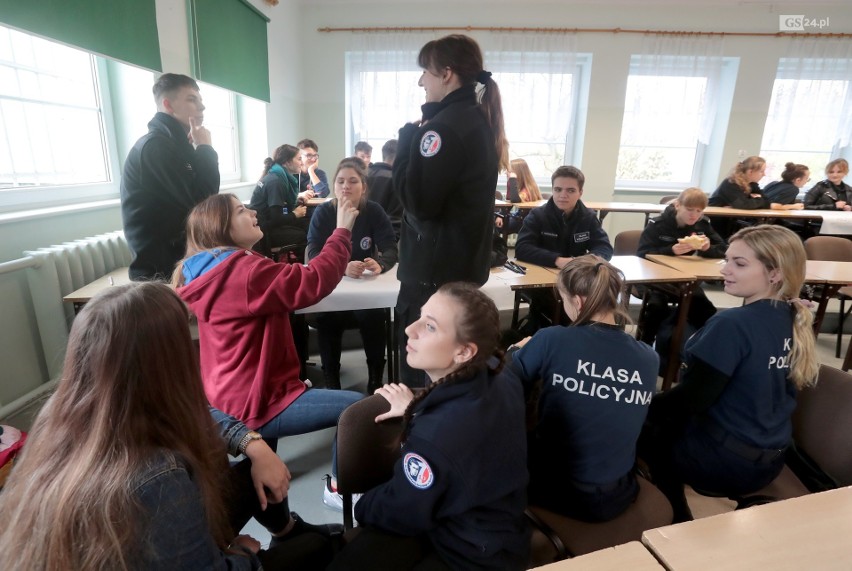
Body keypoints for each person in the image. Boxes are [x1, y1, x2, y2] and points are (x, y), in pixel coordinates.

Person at [0, 282, 335, 570]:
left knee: (252, 472)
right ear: (166, 360)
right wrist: (244, 553)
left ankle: (286, 530)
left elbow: (203, 412)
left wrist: (252, 442)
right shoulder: (159, 477)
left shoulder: (65, 414)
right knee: (317, 551)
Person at [173, 194, 364, 503]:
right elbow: (314, 280)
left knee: (262, 477)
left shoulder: (209, 271)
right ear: (222, 228)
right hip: (258, 398)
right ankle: (339, 491)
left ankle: (282, 533)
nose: (253, 211)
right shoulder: (243, 272)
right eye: (241, 210)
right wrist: (341, 231)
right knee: (355, 410)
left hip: (233, 393)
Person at [328, 283, 529, 571]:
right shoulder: (499, 369)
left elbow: (401, 510)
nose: (410, 329)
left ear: (463, 352)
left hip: (468, 555)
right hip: (497, 529)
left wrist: (362, 505)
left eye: (431, 327)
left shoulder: (436, 436)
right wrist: (417, 407)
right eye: (420, 316)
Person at [639, 224, 819, 522]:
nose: (725, 269)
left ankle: (678, 517)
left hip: (722, 466)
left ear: (774, 274)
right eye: (727, 260)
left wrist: (637, 405)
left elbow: (689, 401)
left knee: (645, 428)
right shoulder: (794, 315)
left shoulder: (733, 325)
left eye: (739, 263)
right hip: (770, 460)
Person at [393, 34, 509, 387]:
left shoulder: (443, 128)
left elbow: (419, 204)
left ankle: (415, 432)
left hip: (433, 274)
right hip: (457, 267)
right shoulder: (474, 119)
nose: (420, 81)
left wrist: (405, 144)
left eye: (425, 73)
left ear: (446, 73)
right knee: (450, 367)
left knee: (421, 369)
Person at [507, 256, 658, 522]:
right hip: (616, 494)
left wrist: (516, 350)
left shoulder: (552, 339)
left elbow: (505, 383)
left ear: (578, 302)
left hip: (559, 490)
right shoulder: (649, 356)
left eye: (564, 300)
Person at [307, 158, 398, 393]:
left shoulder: (373, 211)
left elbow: (390, 247)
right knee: (328, 318)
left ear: (364, 186)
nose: (345, 186)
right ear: (334, 186)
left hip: (364, 287)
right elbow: (313, 251)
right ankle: (331, 380)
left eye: (352, 181)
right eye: (340, 181)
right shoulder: (324, 212)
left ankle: (376, 376)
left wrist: (380, 264)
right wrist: (342, 266)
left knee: (373, 314)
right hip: (334, 287)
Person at [121, 73, 220, 281]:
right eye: (192, 99)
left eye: (201, 101)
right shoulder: (156, 147)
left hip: (180, 259)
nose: (202, 107)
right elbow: (203, 203)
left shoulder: (176, 145)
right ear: (168, 105)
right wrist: (205, 148)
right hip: (161, 272)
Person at [515, 165, 612, 332]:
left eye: (570, 190)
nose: (563, 195)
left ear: (580, 192)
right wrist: (557, 260)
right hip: (542, 283)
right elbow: (522, 248)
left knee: (601, 298)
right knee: (552, 311)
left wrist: (588, 261)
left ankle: (582, 339)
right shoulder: (538, 216)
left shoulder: (588, 217)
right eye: (558, 189)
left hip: (576, 279)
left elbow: (604, 247)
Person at [637, 187, 726, 347]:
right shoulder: (658, 225)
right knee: (656, 307)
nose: (694, 215)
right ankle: (645, 345)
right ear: (678, 205)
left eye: (699, 211)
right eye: (689, 209)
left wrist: (707, 248)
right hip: (657, 278)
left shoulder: (702, 225)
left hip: (686, 277)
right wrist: (670, 250)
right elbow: (642, 253)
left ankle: (693, 344)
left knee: (704, 307)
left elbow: (724, 249)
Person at [248, 144, 315, 259]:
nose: (302, 162)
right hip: (265, 231)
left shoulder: (278, 175)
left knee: (309, 223)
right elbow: (276, 218)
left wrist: (296, 201)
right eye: (299, 159)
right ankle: (303, 268)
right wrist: (295, 214)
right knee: (307, 233)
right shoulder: (276, 181)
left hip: (267, 225)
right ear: (287, 162)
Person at [367, 139, 403, 240]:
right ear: (399, 157)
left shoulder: (361, 175)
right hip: (386, 243)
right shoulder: (397, 180)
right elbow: (396, 221)